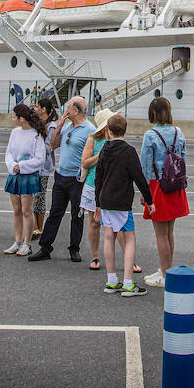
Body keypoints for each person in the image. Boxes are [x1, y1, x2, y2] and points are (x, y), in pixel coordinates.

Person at [93, 112, 152, 297]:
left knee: (109, 236)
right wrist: (149, 200)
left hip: (105, 199)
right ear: (124, 130)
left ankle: (112, 281)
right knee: (130, 238)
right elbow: (138, 177)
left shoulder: (104, 149)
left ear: (109, 131)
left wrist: (97, 203)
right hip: (121, 201)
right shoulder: (128, 151)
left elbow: (98, 178)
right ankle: (128, 282)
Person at [28, 95, 92, 263]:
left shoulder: (89, 129)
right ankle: (45, 247)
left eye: (68, 107)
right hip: (61, 175)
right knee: (55, 212)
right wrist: (60, 127)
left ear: (76, 110)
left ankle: (74, 248)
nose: (65, 110)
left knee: (77, 215)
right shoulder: (67, 126)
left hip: (77, 179)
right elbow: (53, 144)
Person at [140, 96, 189, 287]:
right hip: (175, 184)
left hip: (157, 185)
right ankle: (166, 270)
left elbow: (145, 166)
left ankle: (165, 274)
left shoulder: (150, 135)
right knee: (169, 231)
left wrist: (144, 193)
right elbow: (182, 159)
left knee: (160, 233)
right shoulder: (179, 132)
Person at [3, 103, 46, 255]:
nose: (12, 119)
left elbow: (40, 159)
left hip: (28, 175)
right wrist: (12, 165)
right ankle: (17, 241)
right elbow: (8, 152)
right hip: (15, 174)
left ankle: (27, 243)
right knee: (16, 210)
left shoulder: (36, 135)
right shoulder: (15, 132)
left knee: (27, 211)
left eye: (14, 116)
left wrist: (21, 166)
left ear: (22, 118)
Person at [79, 109, 113, 271]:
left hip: (112, 185)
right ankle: (95, 256)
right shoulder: (93, 139)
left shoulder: (116, 138)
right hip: (93, 184)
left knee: (117, 224)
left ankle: (125, 258)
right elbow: (85, 162)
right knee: (94, 222)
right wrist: (100, 155)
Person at [32, 96, 58, 239]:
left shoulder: (51, 126)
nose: (35, 109)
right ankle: (34, 227)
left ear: (43, 109)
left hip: (43, 167)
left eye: (37, 107)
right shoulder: (38, 124)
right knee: (34, 197)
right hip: (35, 167)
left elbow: (50, 146)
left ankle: (39, 228)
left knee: (40, 197)